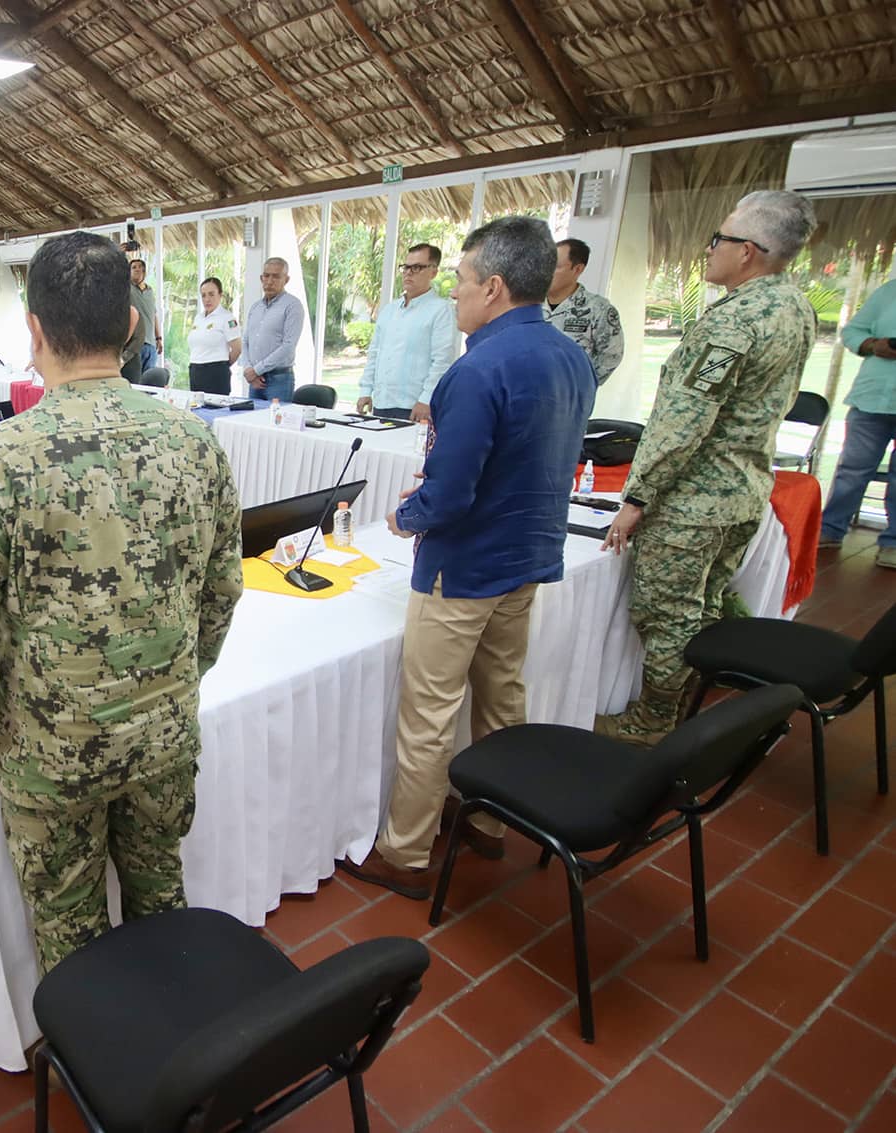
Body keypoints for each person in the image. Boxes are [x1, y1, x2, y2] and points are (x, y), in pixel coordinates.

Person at [0, 231, 244, 972]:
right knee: (162, 902)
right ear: (131, 326)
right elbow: (222, 589)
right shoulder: (195, 442)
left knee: (73, 945)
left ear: (33, 331)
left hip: (51, 757)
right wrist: (178, 681)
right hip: (163, 736)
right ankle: (179, 1052)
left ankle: (105, 1071)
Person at [339, 218, 595, 898]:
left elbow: (450, 493)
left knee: (428, 712)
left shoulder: (476, 368)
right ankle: (491, 820)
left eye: (458, 281)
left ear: (495, 287)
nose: (453, 295)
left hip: (466, 566)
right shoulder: (571, 356)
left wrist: (406, 515)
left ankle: (406, 851)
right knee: (502, 693)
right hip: (528, 556)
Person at [598, 190, 819, 746]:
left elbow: (683, 422)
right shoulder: (795, 305)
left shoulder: (734, 321)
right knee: (706, 603)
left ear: (747, 251)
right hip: (745, 490)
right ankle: (701, 699)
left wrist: (636, 498)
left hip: (695, 500)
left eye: (717, 239)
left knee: (666, 613)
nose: (709, 249)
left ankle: (653, 722)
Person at [820, 277, 896, 567]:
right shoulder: (889, 292)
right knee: (852, 470)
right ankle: (831, 529)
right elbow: (852, 330)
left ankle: (893, 543)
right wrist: (872, 344)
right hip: (871, 398)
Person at [356, 243, 457, 423]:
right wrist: (366, 390)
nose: (408, 272)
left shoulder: (441, 310)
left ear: (433, 272)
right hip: (382, 403)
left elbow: (442, 361)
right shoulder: (389, 310)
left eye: (417, 267)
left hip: (415, 406)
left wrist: (426, 399)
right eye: (406, 267)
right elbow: (375, 353)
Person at [545, 238, 625, 386]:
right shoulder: (528, 304)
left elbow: (612, 355)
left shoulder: (598, 310)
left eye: (555, 266)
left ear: (578, 269)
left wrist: (583, 386)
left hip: (569, 400)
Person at [237, 257, 304, 403]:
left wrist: (256, 370)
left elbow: (288, 345)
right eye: (266, 276)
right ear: (261, 278)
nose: (270, 280)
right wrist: (249, 370)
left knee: (276, 424)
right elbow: (246, 340)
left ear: (286, 279)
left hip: (279, 380)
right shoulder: (255, 307)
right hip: (255, 381)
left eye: (276, 276)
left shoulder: (293, 306)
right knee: (252, 422)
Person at [186, 277, 242, 396]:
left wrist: (221, 365)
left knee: (216, 411)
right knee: (197, 411)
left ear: (220, 295)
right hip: (196, 370)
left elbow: (237, 349)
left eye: (211, 294)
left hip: (216, 372)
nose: (207, 299)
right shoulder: (199, 318)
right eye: (204, 295)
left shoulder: (227, 318)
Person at [131, 259, 162, 371]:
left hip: (151, 345)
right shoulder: (127, 289)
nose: (137, 269)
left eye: (139, 267)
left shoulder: (150, 291)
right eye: (134, 267)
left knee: (149, 382)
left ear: (144, 271)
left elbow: (153, 315)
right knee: (136, 381)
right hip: (135, 344)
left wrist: (159, 338)